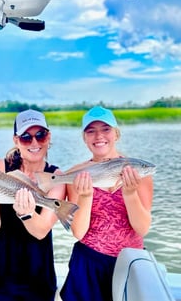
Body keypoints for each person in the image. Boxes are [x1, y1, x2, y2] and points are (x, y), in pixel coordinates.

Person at [0, 109, 66, 301]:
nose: (34, 143)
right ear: (16, 140)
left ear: (49, 137)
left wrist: (26, 213)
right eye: (26, 137)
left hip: (39, 278)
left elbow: (41, 230)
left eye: (40, 135)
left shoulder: (56, 176)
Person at [60, 106, 154, 301]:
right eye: (91, 131)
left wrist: (129, 194)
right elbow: (79, 232)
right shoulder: (76, 174)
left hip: (129, 262)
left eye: (106, 129)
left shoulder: (138, 172)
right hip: (88, 263)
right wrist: (85, 196)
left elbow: (142, 228)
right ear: (84, 138)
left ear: (116, 134)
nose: (98, 136)